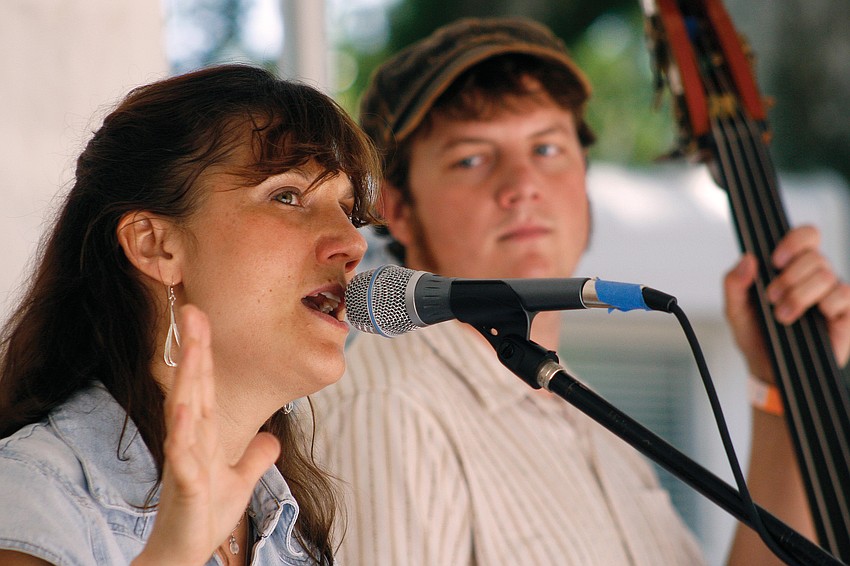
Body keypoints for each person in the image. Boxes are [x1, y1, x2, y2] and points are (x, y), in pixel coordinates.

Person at [311, 17, 850, 565]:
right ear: (398, 209)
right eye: (471, 158)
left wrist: (778, 386)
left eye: (547, 149)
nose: (523, 184)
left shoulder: (584, 411)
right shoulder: (391, 408)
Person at [0, 63, 381, 565]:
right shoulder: (31, 497)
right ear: (155, 245)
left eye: (348, 211)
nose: (353, 242)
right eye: (287, 196)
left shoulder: (285, 528)